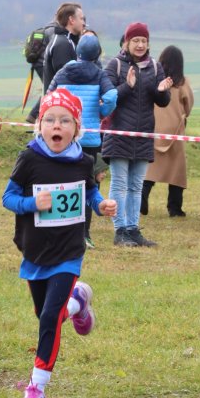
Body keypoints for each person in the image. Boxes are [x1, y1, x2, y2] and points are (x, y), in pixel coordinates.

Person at [2, 88, 117, 398]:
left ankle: (36, 388)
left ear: (76, 128)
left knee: (50, 317)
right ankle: (78, 302)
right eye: (50, 119)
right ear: (40, 125)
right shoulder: (29, 159)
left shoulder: (83, 161)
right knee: (45, 314)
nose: (57, 125)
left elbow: (90, 192)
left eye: (65, 121)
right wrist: (30, 203)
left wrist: (100, 205)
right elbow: (8, 198)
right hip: (35, 251)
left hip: (69, 250)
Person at [101, 22, 172, 247]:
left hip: (143, 135)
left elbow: (162, 102)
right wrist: (127, 86)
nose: (140, 45)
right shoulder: (115, 65)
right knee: (119, 184)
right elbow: (106, 98)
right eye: (136, 40)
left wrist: (162, 92)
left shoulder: (155, 67)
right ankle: (120, 230)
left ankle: (133, 229)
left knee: (136, 186)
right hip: (119, 134)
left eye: (144, 41)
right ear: (126, 42)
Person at [47, 32, 117, 246]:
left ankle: (60, 230)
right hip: (90, 141)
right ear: (97, 54)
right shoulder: (99, 74)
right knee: (89, 185)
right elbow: (111, 96)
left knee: (61, 183)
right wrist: (102, 112)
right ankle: (84, 234)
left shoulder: (63, 72)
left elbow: (49, 97)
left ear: (77, 52)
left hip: (65, 138)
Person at [142, 44, 194, 217]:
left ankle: (142, 201)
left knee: (150, 168)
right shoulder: (182, 82)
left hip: (153, 127)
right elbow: (188, 106)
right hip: (175, 131)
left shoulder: (154, 79)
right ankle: (174, 208)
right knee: (177, 170)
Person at [41, 3, 86, 92]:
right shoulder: (62, 44)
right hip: (60, 100)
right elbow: (66, 80)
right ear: (71, 20)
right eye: (81, 19)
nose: (84, 23)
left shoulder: (67, 40)